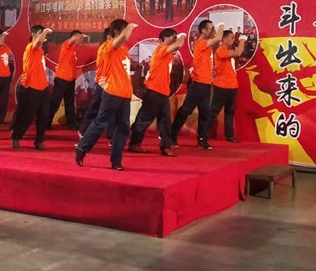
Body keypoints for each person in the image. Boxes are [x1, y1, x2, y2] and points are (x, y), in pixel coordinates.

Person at [75, 19, 137, 171]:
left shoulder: (124, 50)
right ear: (116, 32)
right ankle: (82, 148)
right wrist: (130, 27)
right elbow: (122, 38)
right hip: (112, 91)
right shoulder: (107, 46)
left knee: (123, 128)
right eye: (124, 30)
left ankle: (116, 161)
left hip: (125, 93)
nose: (128, 34)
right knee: (101, 122)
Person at [128, 28, 186, 156]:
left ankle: (166, 147)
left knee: (165, 122)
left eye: (175, 37)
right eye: (172, 37)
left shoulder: (168, 54)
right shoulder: (160, 49)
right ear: (163, 39)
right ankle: (134, 143)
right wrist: (182, 36)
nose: (174, 39)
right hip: (153, 91)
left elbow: (176, 48)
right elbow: (178, 45)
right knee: (144, 119)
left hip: (163, 92)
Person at [171, 21, 224, 150]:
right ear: (203, 30)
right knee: (186, 110)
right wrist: (221, 25)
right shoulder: (200, 43)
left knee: (205, 113)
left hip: (207, 84)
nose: (213, 31)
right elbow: (218, 38)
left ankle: (202, 140)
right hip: (198, 84)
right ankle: (172, 134)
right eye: (211, 29)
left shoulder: (208, 46)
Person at [10, 24, 52, 150]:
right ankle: (16, 136)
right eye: (40, 33)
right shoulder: (30, 48)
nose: (43, 36)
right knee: (27, 116)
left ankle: (39, 141)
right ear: (34, 35)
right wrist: (45, 31)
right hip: (30, 87)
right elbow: (37, 43)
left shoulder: (41, 51)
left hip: (43, 87)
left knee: (44, 116)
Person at [206, 30, 248, 143]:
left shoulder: (228, 51)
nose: (233, 40)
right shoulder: (220, 50)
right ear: (224, 39)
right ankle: (203, 133)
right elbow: (238, 53)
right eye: (232, 37)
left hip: (233, 86)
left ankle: (229, 135)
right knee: (214, 111)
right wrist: (242, 40)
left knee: (230, 112)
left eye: (234, 38)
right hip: (221, 85)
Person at [78, 27, 113, 138]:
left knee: (112, 110)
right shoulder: (105, 48)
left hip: (112, 84)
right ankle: (83, 131)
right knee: (95, 108)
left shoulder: (116, 48)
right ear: (109, 37)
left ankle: (112, 136)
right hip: (102, 83)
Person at [49, 29, 85, 130]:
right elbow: (71, 40)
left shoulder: (74, 48)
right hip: (62, 79)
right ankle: (46, 122)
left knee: (70, 103)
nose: (81, 40)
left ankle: (71, 123)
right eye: (80, 38)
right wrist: (78, 36)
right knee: (55, 102)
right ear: (74, 37)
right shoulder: (66, 45)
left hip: (71, 79)